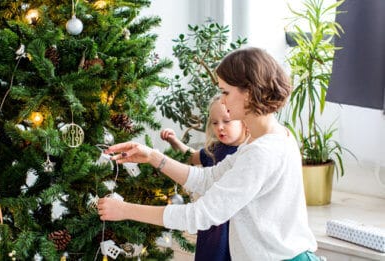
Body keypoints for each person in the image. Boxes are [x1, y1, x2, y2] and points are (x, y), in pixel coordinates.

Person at [98, 47, 318, 261]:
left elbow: (199, 215)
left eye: (225, 92)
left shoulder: (263, 153)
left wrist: (125, 210)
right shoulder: (267, 137)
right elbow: (209, 178)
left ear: (249, 93)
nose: (222, 100)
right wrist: (153, 157)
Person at [160, 95, 248, 261]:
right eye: (215, 123)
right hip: (211, 225)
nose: (220, 127)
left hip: (234, 227)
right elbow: (190, 156)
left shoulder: (247, 152)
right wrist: (173, 141)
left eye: (226, 121)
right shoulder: (214, 149)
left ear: (243, 120)